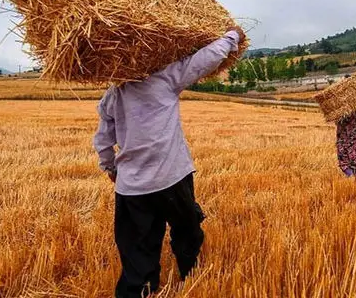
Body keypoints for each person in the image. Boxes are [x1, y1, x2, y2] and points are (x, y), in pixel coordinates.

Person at [93, 27, 245, 298]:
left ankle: (139, 291)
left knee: (138, 251)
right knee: (187, 233)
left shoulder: (112, 95)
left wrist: (111, 168)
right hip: (172, 179)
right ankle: (193, 280)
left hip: (132, 189)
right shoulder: (165, 78)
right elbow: (206, 58)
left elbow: (103, 141)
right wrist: (232, 37)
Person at [335, 111, 356, 177]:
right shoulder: (353, 106)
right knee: (353, 159)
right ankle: (352, 177)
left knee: (347, 160)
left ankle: (351, 178)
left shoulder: (337, 108)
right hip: (352, 137)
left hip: (347, 137)